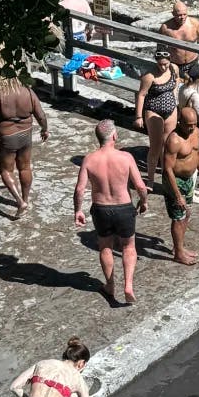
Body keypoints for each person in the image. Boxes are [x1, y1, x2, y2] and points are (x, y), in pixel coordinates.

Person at [73, 120, 148, 304]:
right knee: (128, 247)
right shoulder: (126, 158)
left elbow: (79, 190)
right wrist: (143, 201)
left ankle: (110, 285)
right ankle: (128, 286)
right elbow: (140, 186)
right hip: (123, 207)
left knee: (105, 246)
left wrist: (78, 210)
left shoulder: (89, 159)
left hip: (101, 208)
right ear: (114, 136)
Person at [0, 76, 49, 215]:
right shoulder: (28, 92)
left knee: (6, 171)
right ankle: (25, 198)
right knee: (25, 167)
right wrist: (44, 129)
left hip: (7, 138)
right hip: (26, 135)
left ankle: (20, 202)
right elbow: (41, 115)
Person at [162, 106, 199, 266]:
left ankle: (179, 248)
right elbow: (167, 168)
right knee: (178, 217)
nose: (191, 127)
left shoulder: (195, 132)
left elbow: (198, 155)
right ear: (180, 122)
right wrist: (177, 195)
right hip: (175, 181)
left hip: (189, 180)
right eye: (188, 124)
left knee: (186, 214)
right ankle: (178, 253)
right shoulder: (174, 140)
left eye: (194, 124)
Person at [134, 50, 179, 189]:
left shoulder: (174, 69)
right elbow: (141, 95)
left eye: (165, 64)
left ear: (169, 61)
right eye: (160, 64)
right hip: (154, 110)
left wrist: (175, 97)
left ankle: (167, 177)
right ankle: (151, 179)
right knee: (155, 147)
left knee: (168, 145)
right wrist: (138, 116)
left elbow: (177, 80)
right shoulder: (149, 76)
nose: (163, 67)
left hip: (171, 109)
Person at [159, 0, 199, 70]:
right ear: (173, 14)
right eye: (179, 15)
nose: (182, 17)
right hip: (175, 64)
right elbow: (160, 47)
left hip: (194, 62)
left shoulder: (194, 23)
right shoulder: (166, 28)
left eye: (184, 14)